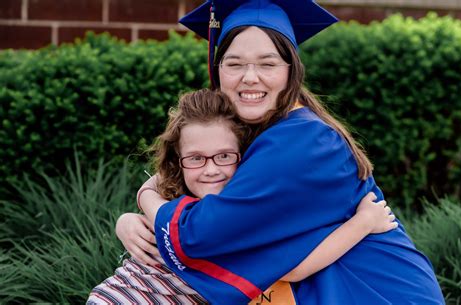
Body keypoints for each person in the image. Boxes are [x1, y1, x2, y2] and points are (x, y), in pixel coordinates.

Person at [116, 0, 445, 304]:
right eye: (235, 64)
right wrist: (129, 220)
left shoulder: (303, 144)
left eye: (267, 63)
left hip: (374, 292)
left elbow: (199, 236)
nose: (250, 77)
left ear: (291, 71)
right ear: (218, 70)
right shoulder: (265, 130)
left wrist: (146, 197)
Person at [88, 89, 396, 304]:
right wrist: (364, 222)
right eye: (196, 158)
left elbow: (292, 264)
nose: (210, 170)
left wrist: (144, 198)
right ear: (178, 162)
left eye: (224, 156)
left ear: (246, 157)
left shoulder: (232, 215)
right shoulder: (188, 207)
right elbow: (294, 268)